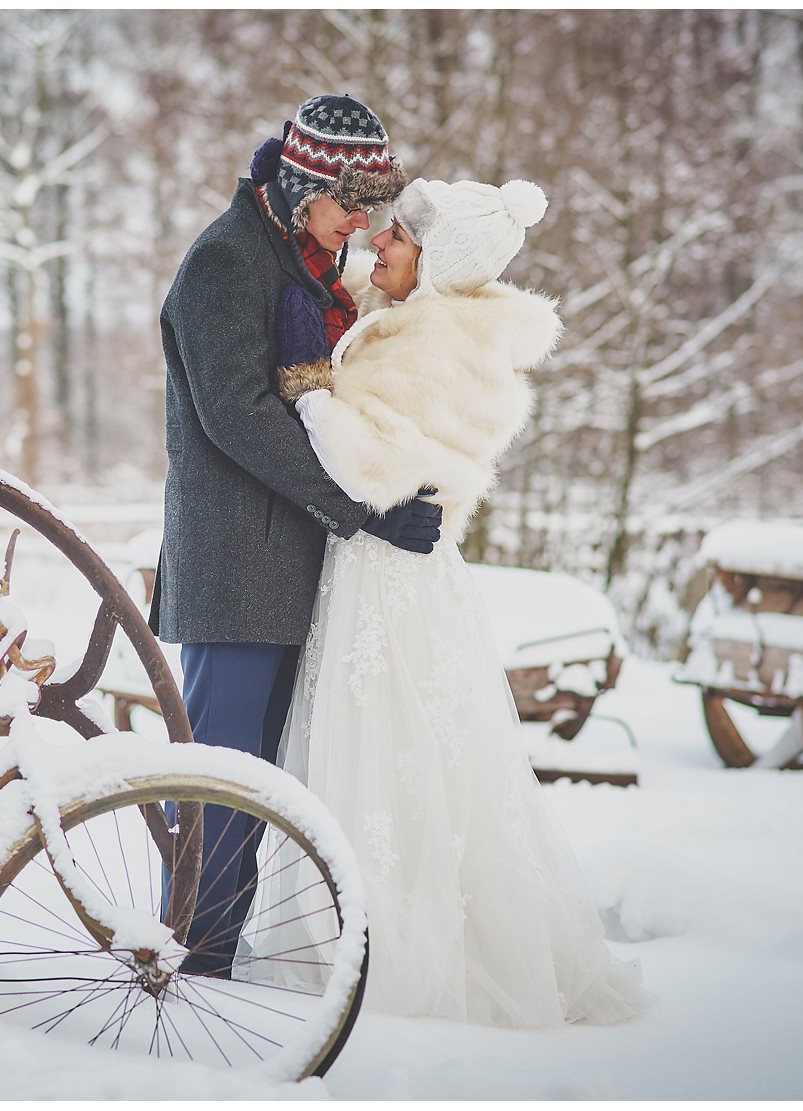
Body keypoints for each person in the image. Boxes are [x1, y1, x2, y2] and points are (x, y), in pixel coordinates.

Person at [257, 177, 653, 1025]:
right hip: (380, 571)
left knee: (389, 743)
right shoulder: (425, 321)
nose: (379, 247)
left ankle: (396, 950)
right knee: (391, 748)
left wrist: (309, 383)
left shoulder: (431, 343)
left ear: (435, 266)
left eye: (397, 239)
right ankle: (355, 924)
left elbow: (364, 464)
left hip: (387, 582)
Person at [152, 95, 442, 976]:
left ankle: (219, 950)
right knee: (224, 783)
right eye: (350, 202)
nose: (364, 221)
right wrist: (360, 504)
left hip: (288, 563)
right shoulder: (226, 262)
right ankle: (191, 961)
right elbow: (238, 417)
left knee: (264, 783)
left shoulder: (304, 254)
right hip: (238, 570)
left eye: (370, 205)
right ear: (300, 185)